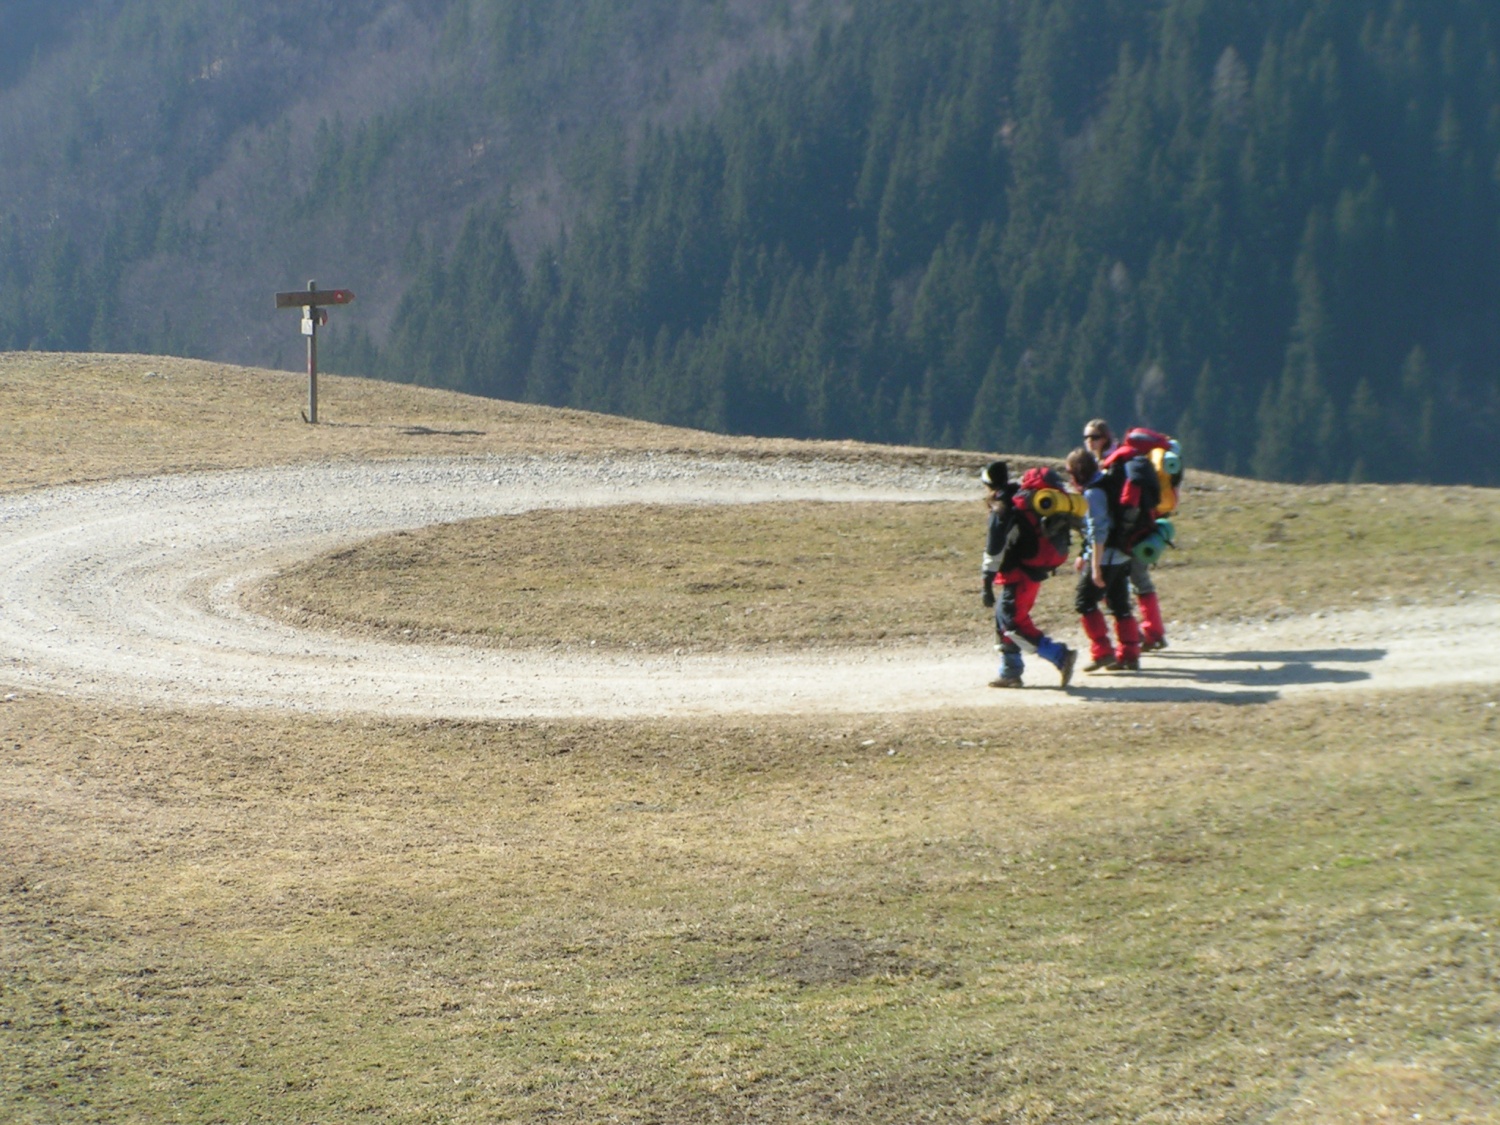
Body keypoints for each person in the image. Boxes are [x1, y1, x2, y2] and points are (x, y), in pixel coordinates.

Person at [980, 460, 1078, 689]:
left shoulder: (1002, 507)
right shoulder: (1021, 498)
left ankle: (1059, 656)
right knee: (1003, 618)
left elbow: (994, 549)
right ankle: (1010, 671)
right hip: (1030, 571)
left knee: (1013, 624)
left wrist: (986, 582)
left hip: (1018, 574)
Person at [1082, 419, 1168, 650]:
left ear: (1106, 437)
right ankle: (1148, 633)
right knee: (1132, 582)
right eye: (1087, 437)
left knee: (1134, 580)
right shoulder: (1110, 461)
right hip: (1135, 530)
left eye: (1095, 437)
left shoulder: (1117, 463)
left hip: (1130, 533)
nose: (1090, 442)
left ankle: (1151, 633)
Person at [1066, 445, 1142, 672]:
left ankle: (1103, 652)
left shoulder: (1093, 493)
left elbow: (1099, 531)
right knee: (1121, 605)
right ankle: (1130, 654)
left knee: (1085, 602)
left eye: (1070, 472)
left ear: (1078, 472)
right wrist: (1083, 554)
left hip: (1105, 557)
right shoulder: (1110, 482)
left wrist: (1095, 567)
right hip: (1122, 554)